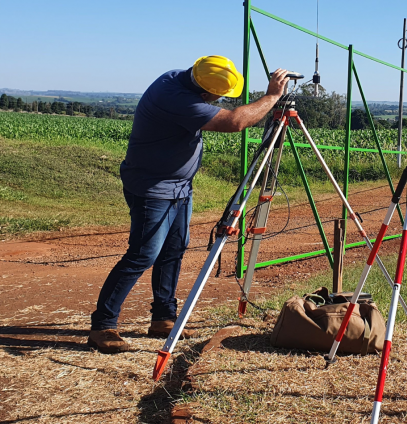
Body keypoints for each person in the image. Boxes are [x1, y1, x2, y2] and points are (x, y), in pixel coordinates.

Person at [87, 56, 290, 353]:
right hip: (153, 188)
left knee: (173, 250)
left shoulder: (180, 79)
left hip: (179, 186)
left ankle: (163, 318)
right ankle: (103, 325)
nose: (220, 99)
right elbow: (235, 122)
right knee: (143, 254)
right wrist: (273, 96)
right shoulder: (175, 97)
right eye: (218, 95)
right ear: (205, 92)